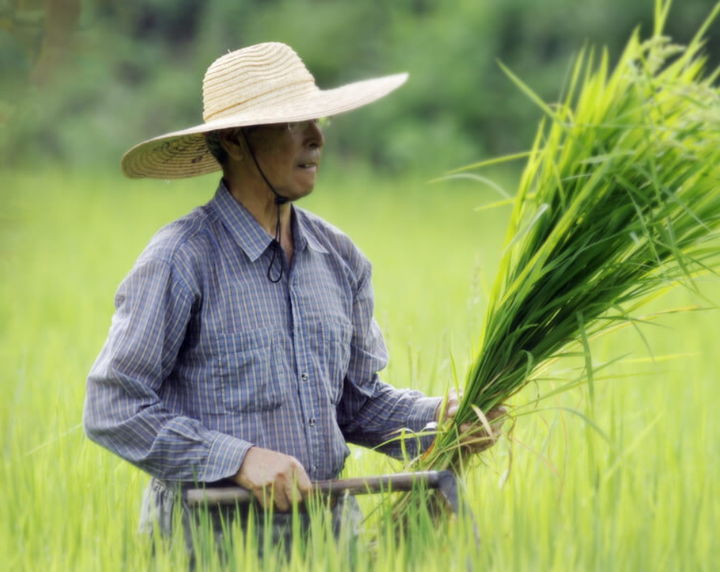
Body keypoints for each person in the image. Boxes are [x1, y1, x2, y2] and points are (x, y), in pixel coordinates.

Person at [83, 42, 502, 557]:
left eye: (317, 120)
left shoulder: (340, 259)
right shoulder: (181, 259)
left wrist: (443, 420)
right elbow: (111, 405)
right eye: (292, 123)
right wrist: (237, 459)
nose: (317, 138)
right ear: (234, 140)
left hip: (330, 543)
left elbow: (355, 404)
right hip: (213, 548)